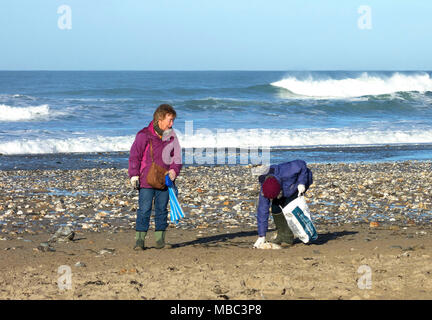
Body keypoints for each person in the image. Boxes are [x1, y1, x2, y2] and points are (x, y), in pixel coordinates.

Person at [128, 104, 182, 250]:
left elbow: (177, 157)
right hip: (146, 179)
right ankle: (139, 241)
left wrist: (174, 171)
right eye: (169, 120)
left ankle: (160, 241)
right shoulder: (143, 135)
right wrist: (133, 175)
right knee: (144, 209)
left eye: (172, 121)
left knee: (162, 209)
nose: (172, 124)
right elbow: (134, 156)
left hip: (165, 179)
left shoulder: (171, 136)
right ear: (160, 119)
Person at [253, 160, 313, 248]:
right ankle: (284, 235)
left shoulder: (286, 171)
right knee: (275, 207)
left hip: (299, 184)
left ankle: (300, 232)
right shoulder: (264, 189)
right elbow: (262, 211)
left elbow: (302, 164)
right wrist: (261, 236)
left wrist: (301, 183)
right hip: (284, 188)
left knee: (288, 206)